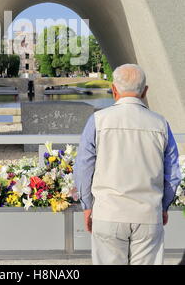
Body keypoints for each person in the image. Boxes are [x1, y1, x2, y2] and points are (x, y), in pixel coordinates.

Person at [73, 63, 182, 265]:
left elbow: (83, 169)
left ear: (114, 90)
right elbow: (173, 174)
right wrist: (163, 206)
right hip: (148, 214)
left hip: (108, 212)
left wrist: (87, 206)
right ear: (145, 91)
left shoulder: (97, 121)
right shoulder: (161, 124)